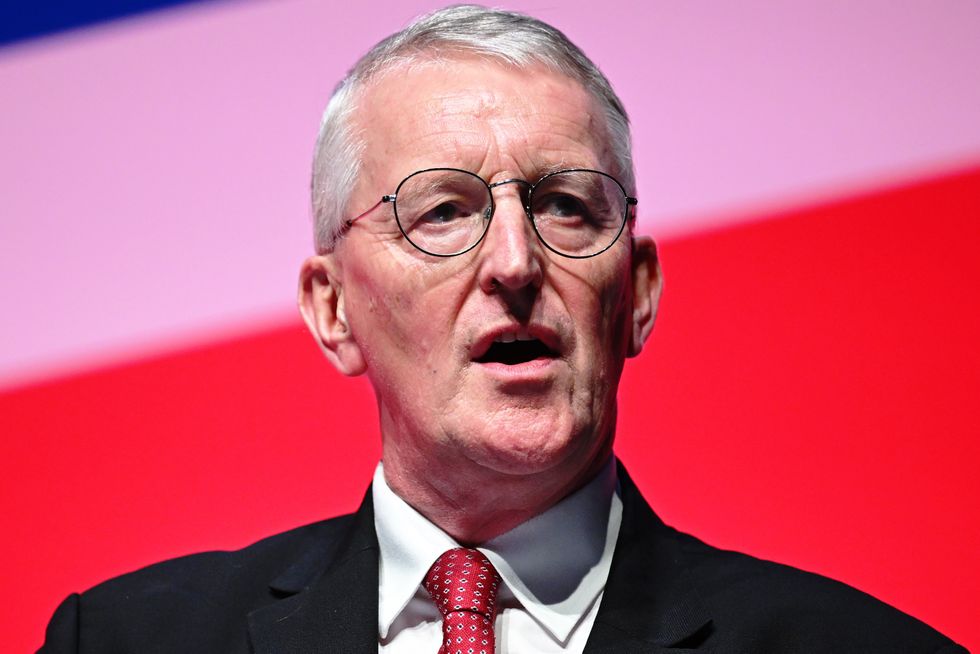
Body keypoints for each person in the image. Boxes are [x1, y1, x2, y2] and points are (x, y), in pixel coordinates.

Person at [40, 5, 967, 653]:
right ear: (333, 309)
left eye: (566, 205)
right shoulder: (124, 640)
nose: (517, 264)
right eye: (442, 211)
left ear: (637, 292)